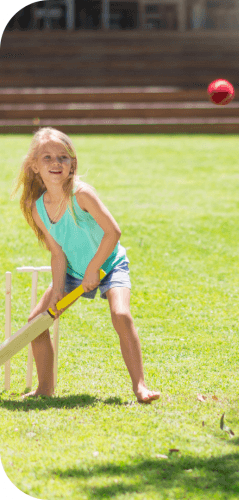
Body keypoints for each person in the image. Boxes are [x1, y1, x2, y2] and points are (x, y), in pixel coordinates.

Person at [12, 127, 160, 404]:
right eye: (47, 158)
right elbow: (57, 253)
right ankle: (45, 389)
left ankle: (140, 386)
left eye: (63, 157)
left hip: (109, 265)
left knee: (121, 314)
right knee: (36, 325)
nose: (56, 163)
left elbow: (113, 232)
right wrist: (58, 288)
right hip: (72, 272)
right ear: (34, 167)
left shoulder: (82, 194)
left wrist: (93, 269)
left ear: (72, 165)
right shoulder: (38, 207)